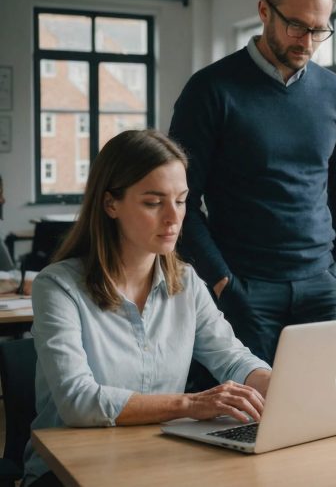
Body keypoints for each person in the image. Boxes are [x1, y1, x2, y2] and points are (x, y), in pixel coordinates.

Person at [24, 130, 271, 487]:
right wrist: (190, 405)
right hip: (68, 471)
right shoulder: (58, 287)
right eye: (154, 203)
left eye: (182, 200)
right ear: (111, 204)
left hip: (160, 460)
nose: (174, 217)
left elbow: (233, 359)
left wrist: (278, 386)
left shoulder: (185, 282)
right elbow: (78, 401)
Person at [168, 0, 336, 365]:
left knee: (328, 411)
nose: (306, 42)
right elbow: (180, 200)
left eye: (319, 30)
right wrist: (222, 281)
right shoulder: (210, 90)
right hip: (246, 287)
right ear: (263, 11)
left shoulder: (334, 93)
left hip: (323, 285)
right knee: (249, 419)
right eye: (296, 26)